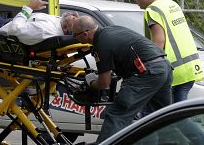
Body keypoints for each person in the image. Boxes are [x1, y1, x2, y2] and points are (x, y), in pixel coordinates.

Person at [72, 15, 173, 143]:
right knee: (166, 116)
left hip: (147, 72)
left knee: (117, 115)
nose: (76, 39)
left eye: (75, 35)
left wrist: (91, 82)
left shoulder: (102, 44)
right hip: (163, 66)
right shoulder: (112, 30)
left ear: (85, 34)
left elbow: (104, 83)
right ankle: (194, 140)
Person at [133, 0, 204, 103]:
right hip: (189, 69)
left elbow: (159, 41)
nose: (135, 0)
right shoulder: (171, 4)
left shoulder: (153, 10)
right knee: (178, 115)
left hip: (173, 72)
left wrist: (150, 68)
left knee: (166, 117)